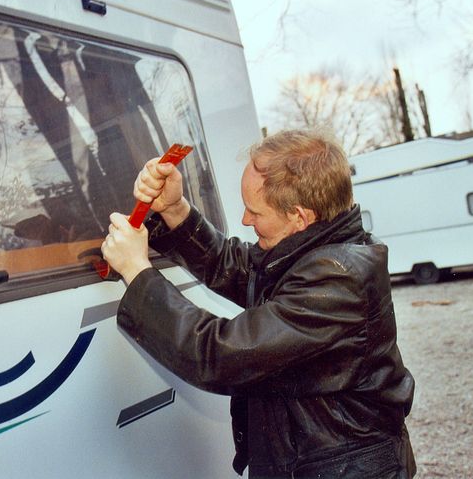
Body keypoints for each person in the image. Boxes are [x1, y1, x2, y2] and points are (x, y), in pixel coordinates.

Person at [100, 129, 416, 478]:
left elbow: (223, 355)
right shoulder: (314, 249)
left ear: (299, 216)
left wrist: (137, 271)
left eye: (254, 211)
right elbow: (237, 268)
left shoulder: (337, 278)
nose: (246, 221)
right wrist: (175, 210)